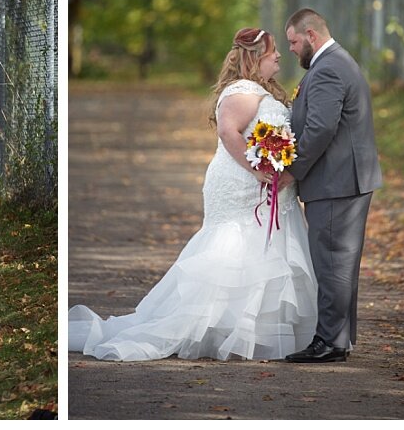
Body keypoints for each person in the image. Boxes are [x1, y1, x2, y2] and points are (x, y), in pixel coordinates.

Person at [67, 27, 318, 360]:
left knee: (260, 252)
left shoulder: (259, 89)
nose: (278, 56)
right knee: (235, 248)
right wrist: (258, 169)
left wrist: (276, 162)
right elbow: (230, 132)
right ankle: (217, 330)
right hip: (243, 185)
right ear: (255, 58)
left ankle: (249, 331)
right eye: (272, 52)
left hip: (266, 189)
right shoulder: (242, 90)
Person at [281, 8, 382, 363]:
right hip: (342, 178)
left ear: (311, 35)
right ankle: (337, 339)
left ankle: (329, 342)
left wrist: (292, 170)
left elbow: (321, 128)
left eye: (293, 41)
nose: (290, 49)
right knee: (339, 261)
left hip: (336, 180)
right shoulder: (336, 63)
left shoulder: (327, 69)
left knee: (332, 262)